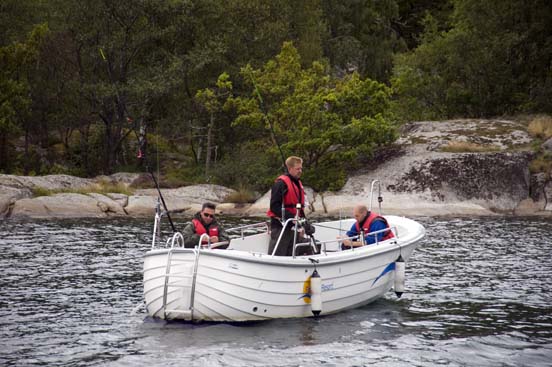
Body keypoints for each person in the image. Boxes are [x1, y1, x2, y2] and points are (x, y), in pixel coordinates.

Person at [267, 156, 312, 256]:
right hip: (280, 226)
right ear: (290, 168)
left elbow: (299, 209)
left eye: (301, 168)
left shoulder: (297, 183)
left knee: (293, 251)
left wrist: (305, 223)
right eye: (297, 169)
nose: (300, 171)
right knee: (278, 253)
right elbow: (274, 207)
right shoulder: (280, 184)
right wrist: (291, 217)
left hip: (293, 226)